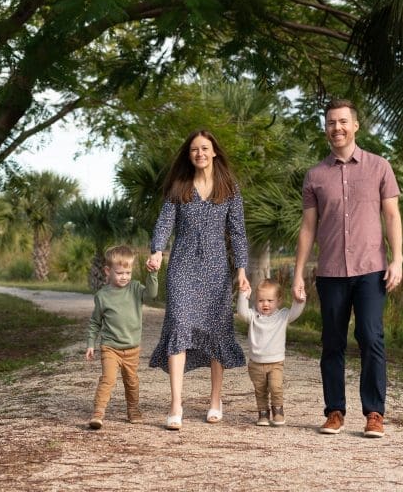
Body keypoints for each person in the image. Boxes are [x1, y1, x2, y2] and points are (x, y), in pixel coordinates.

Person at [292, 99, 403, 438]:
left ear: (355, 125)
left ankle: (374, 413)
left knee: (371, 338)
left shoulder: (379, 167)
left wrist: (397, 259)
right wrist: (298, 272)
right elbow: (308, 227)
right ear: (326, 129)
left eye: (343, 122)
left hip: (371, 270)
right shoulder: (315, 176)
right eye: (330, 122)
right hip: (330, 272)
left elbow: (392, 216)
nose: (336, 127)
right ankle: (334, 412)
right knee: (332, 343)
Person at [146, 129, 250, 431]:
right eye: (194, 149)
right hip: (182, 266)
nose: (200, 154)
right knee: (178, 323)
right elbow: (164, 223)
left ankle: (215, 400)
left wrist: (242, 270)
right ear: (189, 154)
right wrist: (156, 251)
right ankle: (176, 403)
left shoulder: (229, 187)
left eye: (205, 148)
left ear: (214, 151)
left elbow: (238, 233)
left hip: (217, 269)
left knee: (217, 330)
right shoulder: (179, 186)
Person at [85, 245, 158, 430]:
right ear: (108, 271)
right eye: (120, 273)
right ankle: (98, 413)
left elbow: (151, 294)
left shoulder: (135, 288)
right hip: (110, 347)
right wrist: (91, 343)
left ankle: (133, 409)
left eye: (128, 272)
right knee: (107, 379)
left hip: (132, 348)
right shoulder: (102, 296)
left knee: (131, 381)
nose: (124, 276)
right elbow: (95, 322)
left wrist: (153, 275)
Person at [237, 278, 305, 427]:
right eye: (261, 300)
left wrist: (300, 299)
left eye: (269, 300)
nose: (265, 304)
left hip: (275, 362)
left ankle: (278, 410)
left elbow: (295, 312)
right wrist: (243, 296)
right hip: (255, 363)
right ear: (256, 301)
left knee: (276, 387)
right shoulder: (253, 316)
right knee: (260, 390)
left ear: (278, 301)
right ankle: (263, 413)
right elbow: (241, 313)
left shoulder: (282, 316)